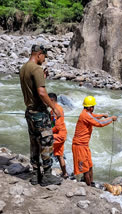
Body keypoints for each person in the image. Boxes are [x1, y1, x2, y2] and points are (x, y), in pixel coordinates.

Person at [19, 44, 63, 186]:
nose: (44, 60)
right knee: (46, 142)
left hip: (29, 112)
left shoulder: (24, 68)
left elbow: (31, 88)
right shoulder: (36, 69)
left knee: (34, 143)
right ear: (39, 54)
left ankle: (35, 175)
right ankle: (47, 176)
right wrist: (54, 107)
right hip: (39, 113)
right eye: (44, 57)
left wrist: (42, 77)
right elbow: (42, 93)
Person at [72, 96, 117, 186]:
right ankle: (89, 187)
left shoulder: (86, 113)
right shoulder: (85, 115)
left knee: (90, 166)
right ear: (90, 107)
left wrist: (102, 115)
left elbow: (93, 117)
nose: (93, 108)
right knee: (85, 169)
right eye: (93, 106)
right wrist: (111, 119)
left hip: (84, 145)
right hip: (79, 146)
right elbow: (99, 123)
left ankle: (91, 183)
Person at [48, 93, 68, 179]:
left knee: (46, 150)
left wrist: (48, 131)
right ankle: (65, 174)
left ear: (51, 100)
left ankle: (46, 172)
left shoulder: (57, 109)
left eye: (48, 100)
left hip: (59, 135)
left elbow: (58, 126)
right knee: (59, 155)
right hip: (60, 134)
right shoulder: (53, 110)